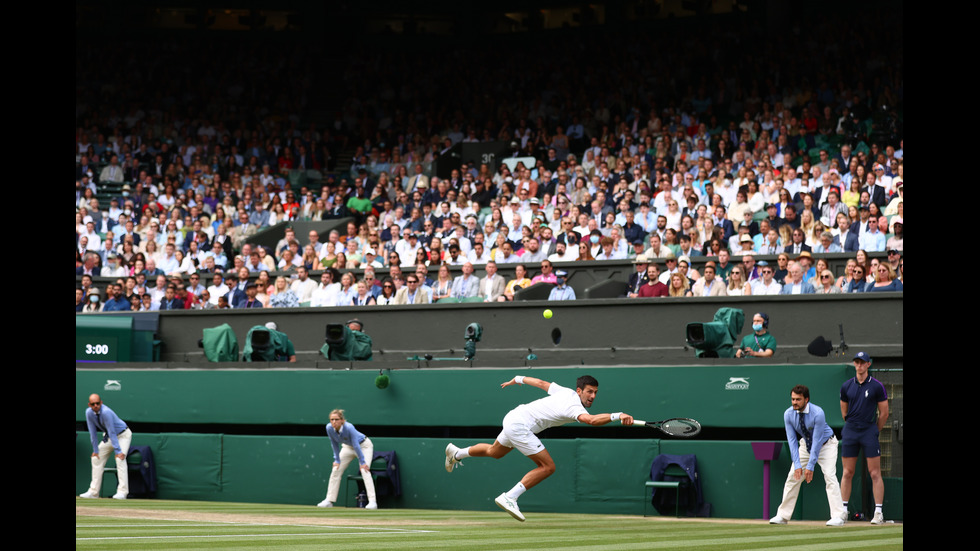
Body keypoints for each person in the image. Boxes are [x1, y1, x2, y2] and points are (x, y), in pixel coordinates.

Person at [444, 375, 634, 521]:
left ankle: (456, 453)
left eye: (595, 393)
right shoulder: (574, 407)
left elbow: (542, 383)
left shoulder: (564, 391)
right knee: (548, 467)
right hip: (520, 426)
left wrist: (517, 379)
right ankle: (510, 497)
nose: (593, 396)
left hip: (513, 416)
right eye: (589, 392)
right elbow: (591, 421)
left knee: (494, 452)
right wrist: (618, 415)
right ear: (579, 391)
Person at [769, 385, 846, 526]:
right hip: (805, 445)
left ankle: (838, 516)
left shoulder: (818, 413)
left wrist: (810, 466)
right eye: (792, 399)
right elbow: (792, 441)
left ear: (806, 399)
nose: (794, 402)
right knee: (793, 476)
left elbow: (817, 441)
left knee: (829, 475)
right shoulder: (788, 414)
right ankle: (782, 516)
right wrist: (798, 465)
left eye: (798, 399)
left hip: (826, 445)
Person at [840, 352, 889, 525]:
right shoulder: (846, 386)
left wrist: (875, 430)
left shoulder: (877, 386)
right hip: (851, 430)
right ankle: (843, 511)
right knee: (847, 472)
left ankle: (878, 512)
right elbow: (844, 412)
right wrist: (852, 425)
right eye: (857, 362)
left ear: (868, 365)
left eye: (862, 363)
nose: (859, 365)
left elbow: (884, 413)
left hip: (869, 430)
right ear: (854, 364)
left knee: (875, 472)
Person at [317, 409, 378, 509]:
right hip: (347, 447)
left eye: (336, 419)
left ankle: (372, 502)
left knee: (364, 470)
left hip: (363, 446)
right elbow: (334, 444)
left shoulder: (349, 427)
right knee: (336, 469)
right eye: (331, 419)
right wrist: (336, 460)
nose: (334, 422)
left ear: (342, 420)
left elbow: (356, 445)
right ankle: (329, 500)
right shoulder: (329, 428)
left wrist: (362, 462)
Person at [79, 394, 131, 499]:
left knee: (120, 459)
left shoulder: (106, 412)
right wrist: (95, 450)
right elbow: (92, 432)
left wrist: (118, 451)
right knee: (95, 458)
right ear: (89, 405)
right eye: (93, 404)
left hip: (123, 435)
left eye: (97, 403)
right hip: (109, 437)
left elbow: (112, 431)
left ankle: (122, 492)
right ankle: (94, 492)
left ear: (101, 403)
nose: (96, 406)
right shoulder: (89, 413)